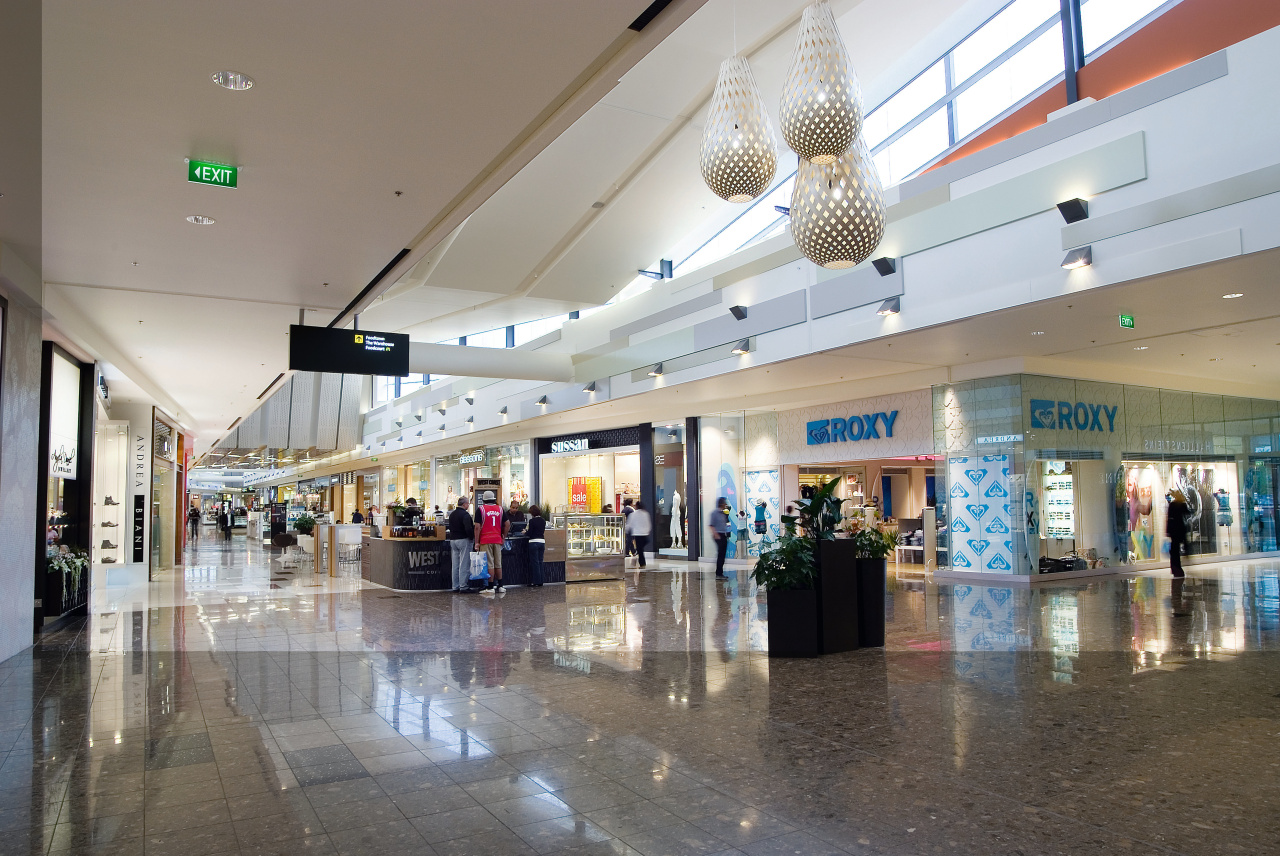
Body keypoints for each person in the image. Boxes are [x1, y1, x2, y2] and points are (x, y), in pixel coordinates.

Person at [475, 491, 506, 593]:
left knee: (489, 564)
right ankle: (501, 586)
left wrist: (477, 542)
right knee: (498, 563)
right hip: (497, 539)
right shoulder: (500, 509)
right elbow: (508, 523)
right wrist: (503, 536)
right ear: (494, 499)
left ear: (483, 499)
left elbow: (477, 527)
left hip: (485, 539)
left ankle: (490, 587)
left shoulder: (481, 509)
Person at [448, 496, 474, 592]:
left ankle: (455, 586)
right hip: (463, 540)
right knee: (464, 563)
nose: (468, 505)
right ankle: (463, 586)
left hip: (453, 540)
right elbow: (468, 528)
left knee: (455, 564)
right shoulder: (465, 515)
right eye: (468, 504)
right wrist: (471, 537)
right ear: (464, 504)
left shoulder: (452, 514)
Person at [1167, 489, 1189, 578]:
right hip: (1179, 529)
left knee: (1174, 550)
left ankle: (1175, 568)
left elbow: (1169, 518)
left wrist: (1168, 531)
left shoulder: (1173, 505)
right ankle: (1177, 568)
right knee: (1176, 550)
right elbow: (1187, 512)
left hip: (1174, 530)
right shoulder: (1181, 505)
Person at [626, 500, 652, 568]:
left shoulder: (633, 514)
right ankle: (642, 562)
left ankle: (642, 563)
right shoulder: (646, 513)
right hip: (644, 533)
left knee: (640, 549)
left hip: (637, 533)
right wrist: (648, 531)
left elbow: (630, 524)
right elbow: (648, 523)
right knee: (640, 549)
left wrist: (626, 530)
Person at [709, 496, 731, 578]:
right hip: (718, 535)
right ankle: (718, 573)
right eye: (724, 503)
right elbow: (711, 525)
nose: (726, 504)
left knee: (723, 554)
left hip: (723, 534)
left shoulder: (723, 513)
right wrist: (715, 534)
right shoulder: (714, 513)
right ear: (721, 504)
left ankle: (720, 572)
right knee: (720, 554)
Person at [526, 504, 546, 586]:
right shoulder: (543, 520)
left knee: (535, 563)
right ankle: (541, 581)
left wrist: (525, 532)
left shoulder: (532, 521)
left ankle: (536, 581)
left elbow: (530, 533)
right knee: (540, 562)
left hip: (533, 542)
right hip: (542, 542)